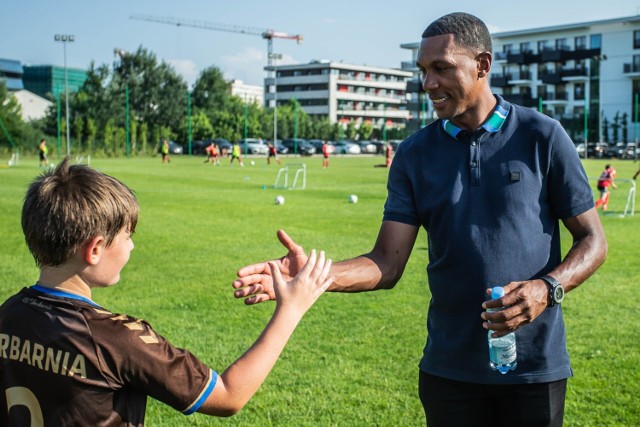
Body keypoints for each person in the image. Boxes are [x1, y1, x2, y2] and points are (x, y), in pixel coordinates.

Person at [232, 12, 607, 427]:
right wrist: (316, 277)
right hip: (449, 372)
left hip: (534, 369)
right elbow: (387, 263)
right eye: (424, 71)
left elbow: (593, 241)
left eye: (442, 69)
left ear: (483, 65)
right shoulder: (414, 154)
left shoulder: (543, 136)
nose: (428, 84)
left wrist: (547, 288)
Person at [0, 158, 333, 425]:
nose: (132, 246)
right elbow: (229, 396)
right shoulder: (116, 338)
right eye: (128, 236)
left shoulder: (8, 313)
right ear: (95, 249)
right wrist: (291, 309)